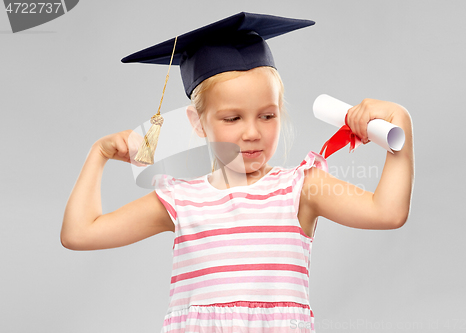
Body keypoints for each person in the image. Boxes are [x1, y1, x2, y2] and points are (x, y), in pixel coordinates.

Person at [61, 12, 414, 333]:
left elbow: (388, 212)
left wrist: (401, 124)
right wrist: (99, 154)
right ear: (198, 122)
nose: (252, 132)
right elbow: (80, 234)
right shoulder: (182, 200)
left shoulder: (300, 189)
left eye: (267, 115)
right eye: (232, 118)